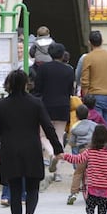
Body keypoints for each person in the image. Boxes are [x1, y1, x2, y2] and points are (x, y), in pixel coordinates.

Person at [0, 69, 64, 214]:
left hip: (10, 151)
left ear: (8, 84)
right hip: (32, 149)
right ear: (25, 84)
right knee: (32, 188)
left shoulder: (2, 105)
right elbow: (48, 127)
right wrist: (58, 148)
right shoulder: (36, 103)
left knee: (15, 191)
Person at [55, 125, 107, 214]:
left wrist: (64, 156)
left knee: (89, 208)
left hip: (93, 188)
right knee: (102, 213)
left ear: (93, 138)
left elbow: (76, 159)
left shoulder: (89, 152)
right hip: (104, 190)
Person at [34, 42, 74, 181]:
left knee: (43, 135)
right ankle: (57, 172)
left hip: (46, 106)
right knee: (58, 136)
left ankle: (51, 154)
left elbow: (37, 89)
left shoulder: (43, 69)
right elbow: (70, 90)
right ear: (63, 54)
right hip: (63, 105)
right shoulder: (69, 70)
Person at [81, 31, 107, 142]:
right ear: (102, 41)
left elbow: (85, 80)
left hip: (95, 95)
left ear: (89, 42)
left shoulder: (88, 57)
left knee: (96, 126)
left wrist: (85, 95)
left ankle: (98, 153)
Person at [66, 104, 97, 205]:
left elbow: (72, 142)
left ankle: (73, 193)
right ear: (88, 114)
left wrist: (75, 144)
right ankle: (99, 191)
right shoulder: (94, 125)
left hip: (83, 150)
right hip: (94, 150)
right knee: (97, 170)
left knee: (79, 172)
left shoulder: (75, 127)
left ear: (77, 116)